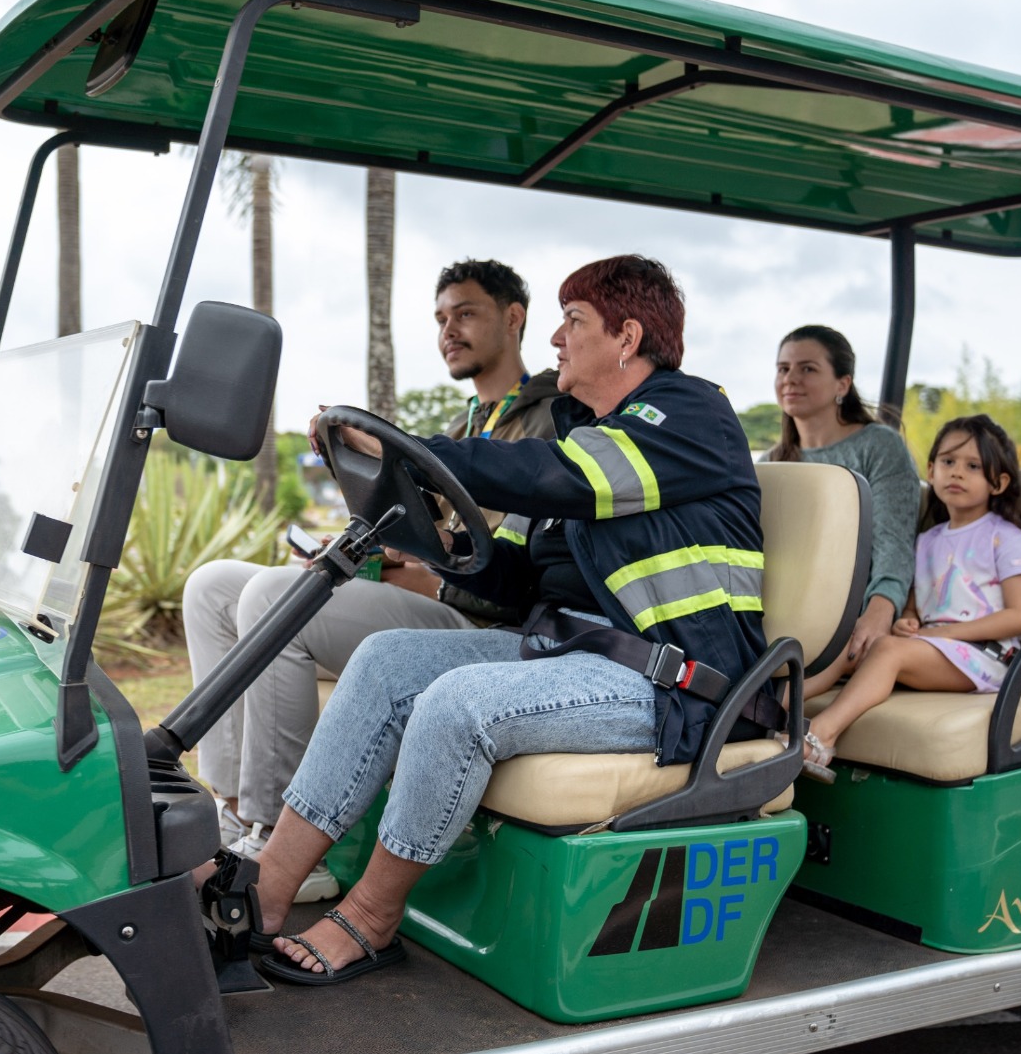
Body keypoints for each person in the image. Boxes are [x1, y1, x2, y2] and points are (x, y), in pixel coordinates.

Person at [250, 255, 767, 985]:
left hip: (675, 682)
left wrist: (416, 449)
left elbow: (558, 479)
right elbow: (510, 571)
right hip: (571, 655)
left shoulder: (688, 416)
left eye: (574, 321)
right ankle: (264, 890)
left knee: (458, 704)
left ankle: (370, 919)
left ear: (626, 336)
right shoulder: (586, 431)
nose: (556, 338)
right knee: (384, 659)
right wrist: (417, 528)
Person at [184, 259, 560, 902]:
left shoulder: (549, 419)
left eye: (466, 314)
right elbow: (423, 528)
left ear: (514, 318)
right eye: (442, 318)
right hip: (437, 593)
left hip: (490, 624)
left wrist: (410, 569)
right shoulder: (471, 423)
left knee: (273, 599)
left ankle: (277, 838)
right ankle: (229, 811)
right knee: (214, 585)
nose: (449, 330)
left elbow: (495, 564)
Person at [791, 414, 1021, 781]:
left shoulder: (1004, 538)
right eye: (948, 462)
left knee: (886, 650)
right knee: (858, 642)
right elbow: (917, 603)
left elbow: (1020, 616)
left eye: (973, 466)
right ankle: (773, 707)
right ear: (930, 469)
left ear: (999, 482)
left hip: (983, 655)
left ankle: (820, 736)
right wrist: (908, 619)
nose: (957, 473)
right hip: (934, 648)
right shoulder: (927, 540)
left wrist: (942, 635)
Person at [770, 326, 919, 666]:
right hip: (784, 613)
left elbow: (893, 541)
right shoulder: (773, 462)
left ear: (842, 384)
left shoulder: (879, 446)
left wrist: (880, 613)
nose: (791, 378)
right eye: (783, 369)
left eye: (808, 368)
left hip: (848, 615)